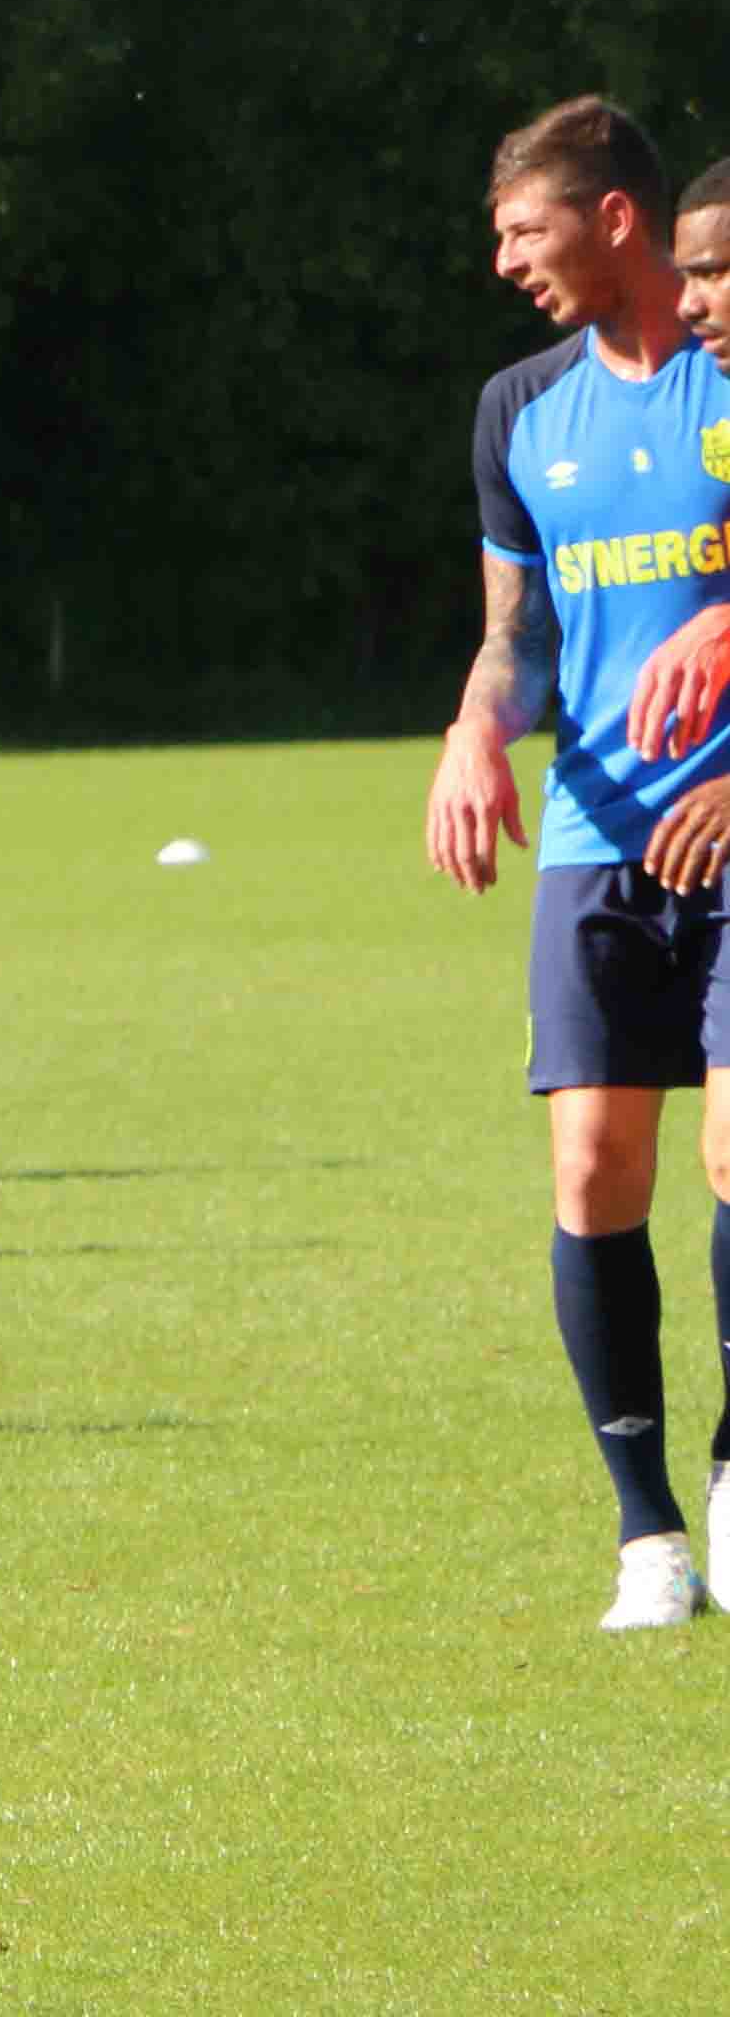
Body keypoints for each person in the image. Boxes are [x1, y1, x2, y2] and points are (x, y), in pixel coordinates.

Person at [421, 100, 730, 1632]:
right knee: (593, 1171)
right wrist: (481, 727)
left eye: (524, 230)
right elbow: (518, 637)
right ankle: (648, 1533)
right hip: (603, 835)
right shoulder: (516, 412)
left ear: (618, 220)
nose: (505, 261)